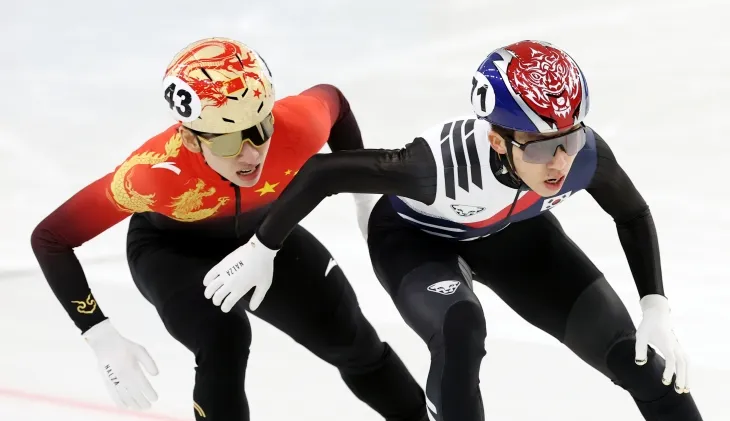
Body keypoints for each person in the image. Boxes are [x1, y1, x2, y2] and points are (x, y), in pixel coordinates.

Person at [208, 40, 704, 421]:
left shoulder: (584, 157)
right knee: (461, 332)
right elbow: (322, 174)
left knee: (642, 364)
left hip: (514, 236)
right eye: (536, 148)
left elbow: (632, 214)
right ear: (496, 138)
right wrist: (262, 247)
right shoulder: (435, 167)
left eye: (569, 139)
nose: (559, 162)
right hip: (415, 241)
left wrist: (654, 305)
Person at [30, 37, 427, 421]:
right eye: (227, 143)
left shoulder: (297, 125)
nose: (252, 153)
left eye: (259, 130)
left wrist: (364, 197)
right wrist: (98, 333)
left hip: (266, 236)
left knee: (352, 340)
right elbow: (51, 238)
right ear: (189, 137)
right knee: (224, 338)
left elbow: (334, 101)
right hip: (173, 252)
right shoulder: (153, 175)